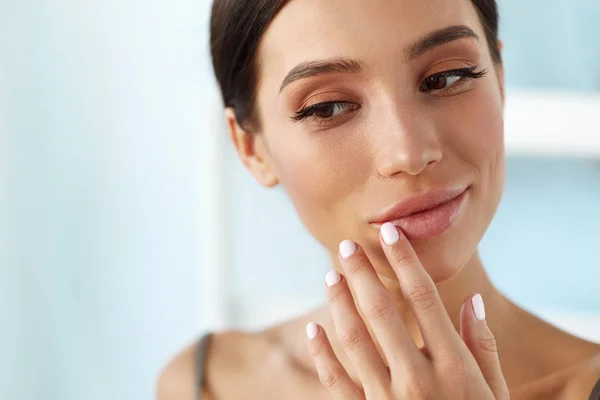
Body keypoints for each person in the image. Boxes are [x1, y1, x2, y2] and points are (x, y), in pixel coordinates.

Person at [157, 0, 600, 398]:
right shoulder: (206, 384)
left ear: (500, 81)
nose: (408, 154)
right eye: (327, 107)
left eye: (446, 77)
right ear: (250, 148)